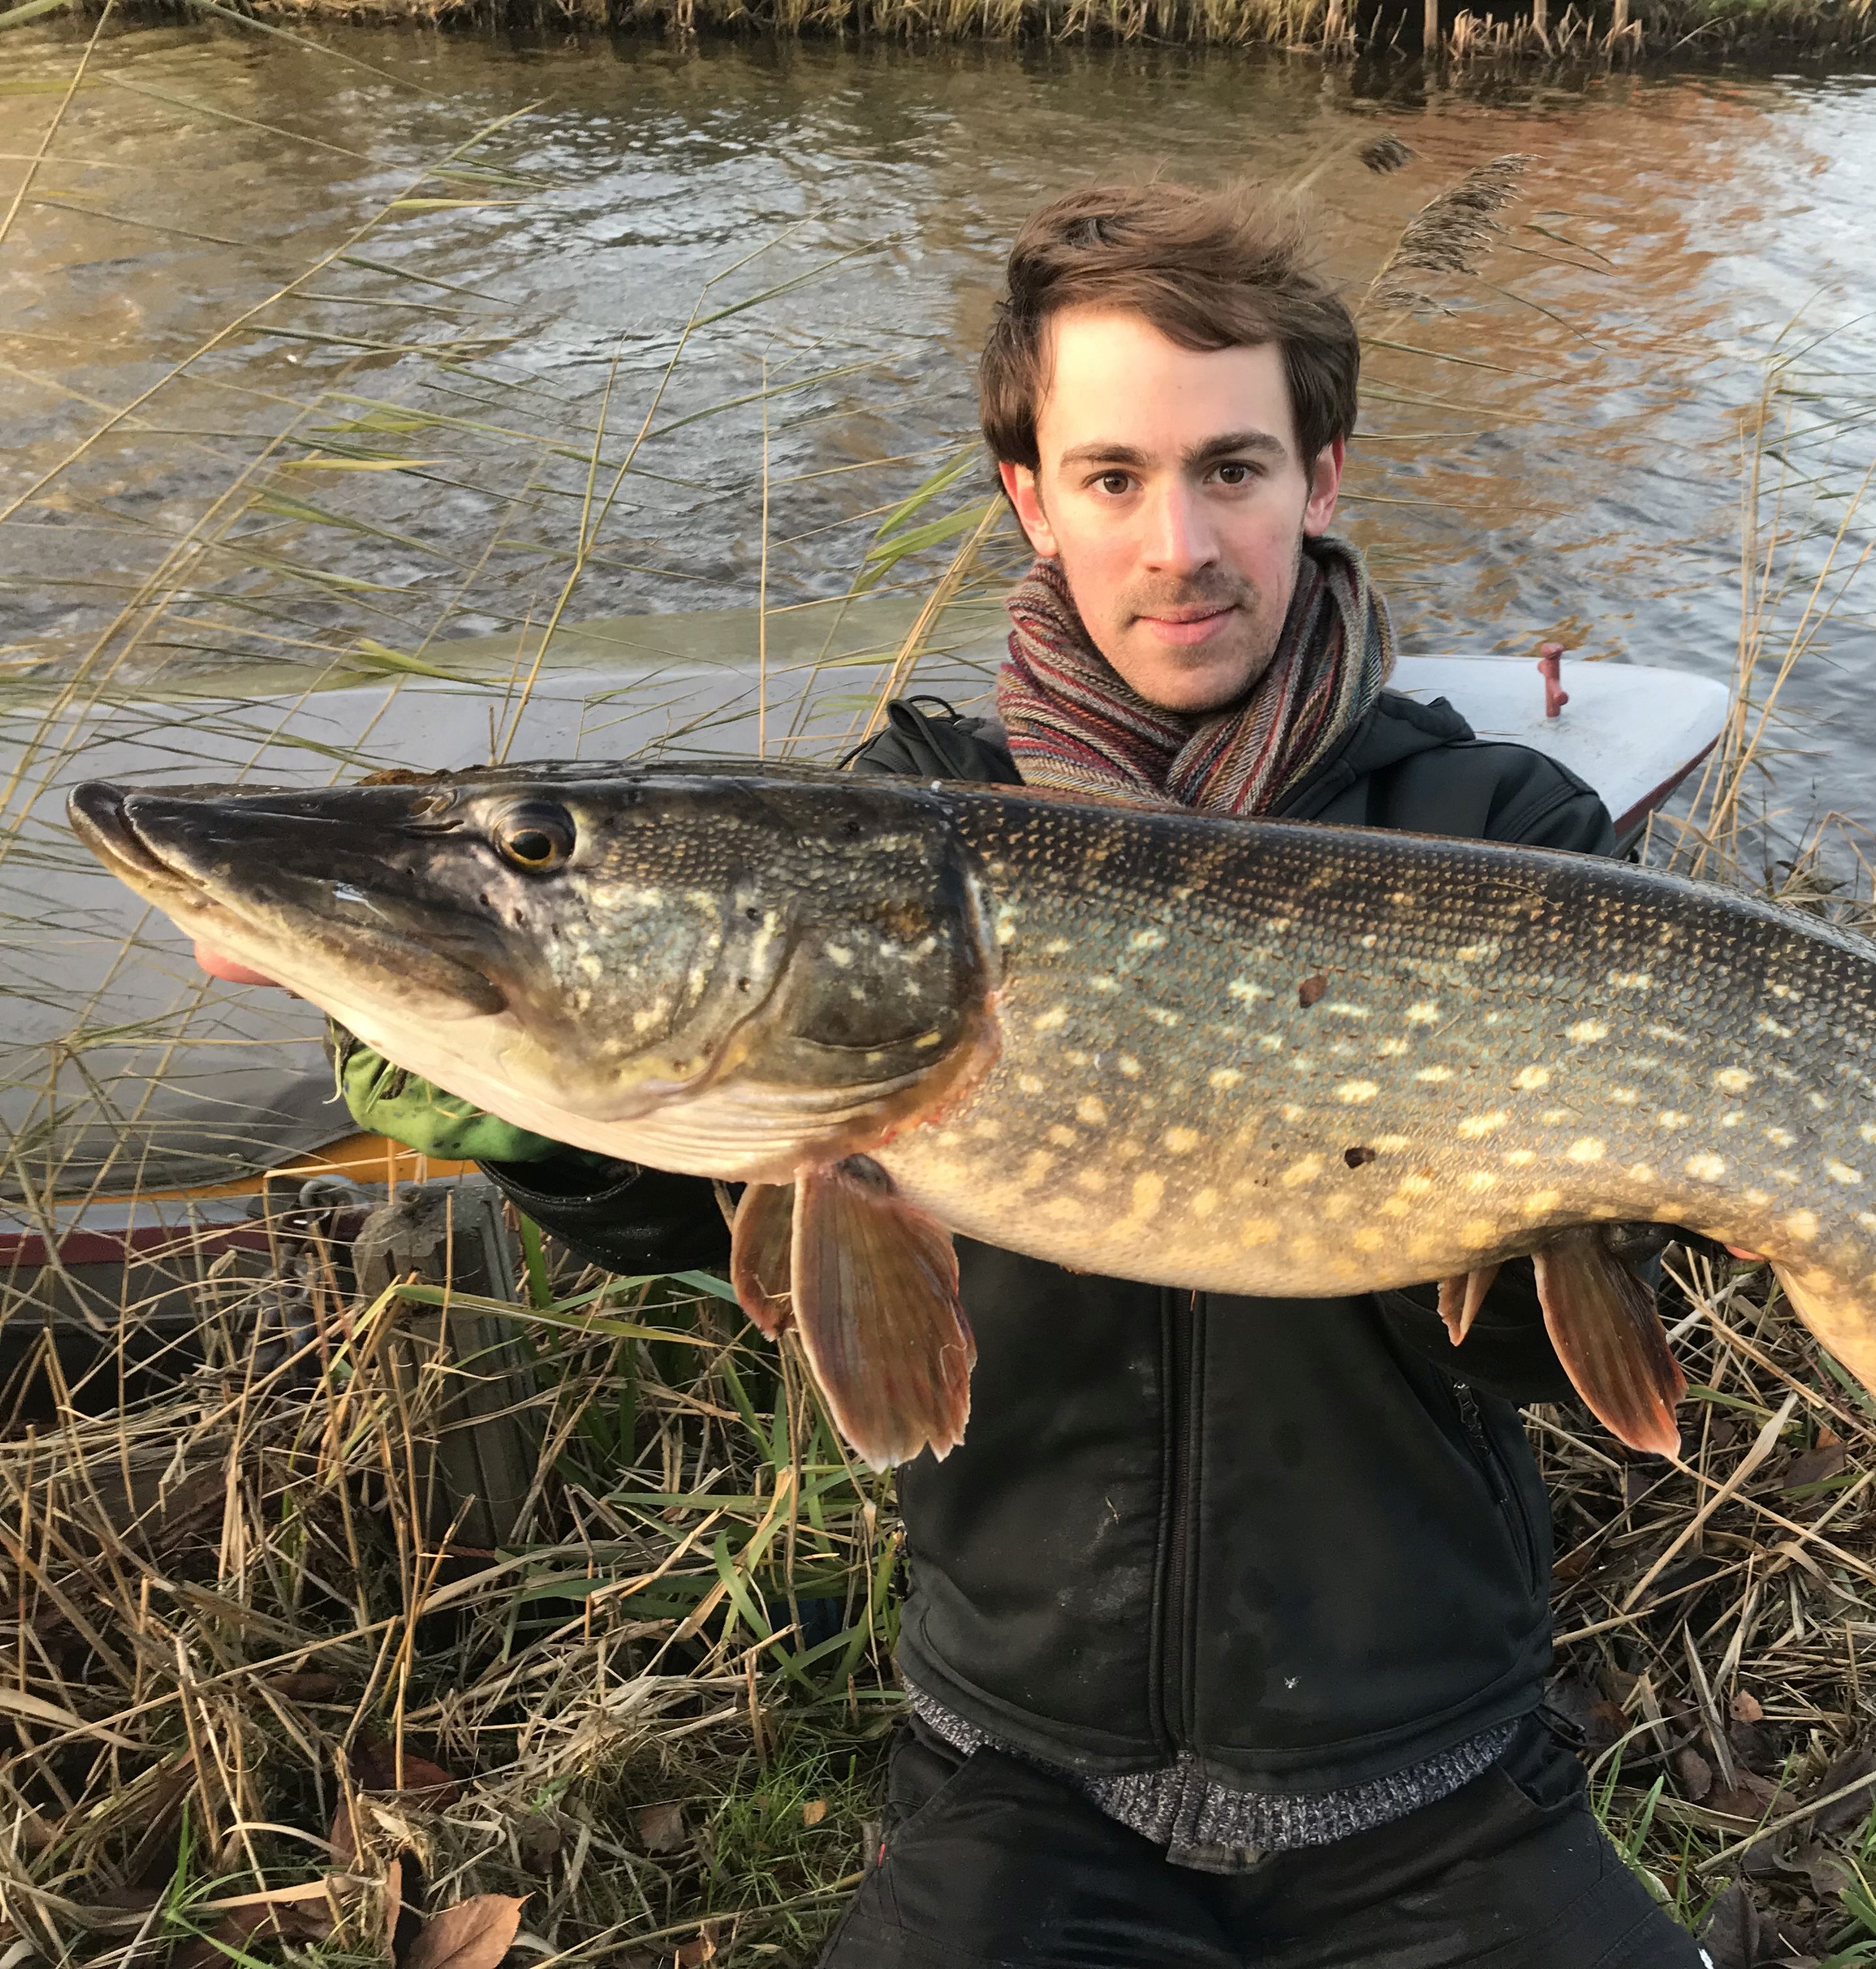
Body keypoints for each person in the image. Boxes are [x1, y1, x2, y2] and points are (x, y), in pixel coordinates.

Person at [219, 182, 1707, 1969]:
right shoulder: (895, 819)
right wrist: (465, 1062)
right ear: (1031, 499)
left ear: (1322, 481)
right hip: (1023, 1780)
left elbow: (1561, 1365)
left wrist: (1591, 1225)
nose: (1180, 544)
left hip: (1429, 1780)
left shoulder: (1493, 834)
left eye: (1232, 469)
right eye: (1112, 477)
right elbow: (705, 1188)